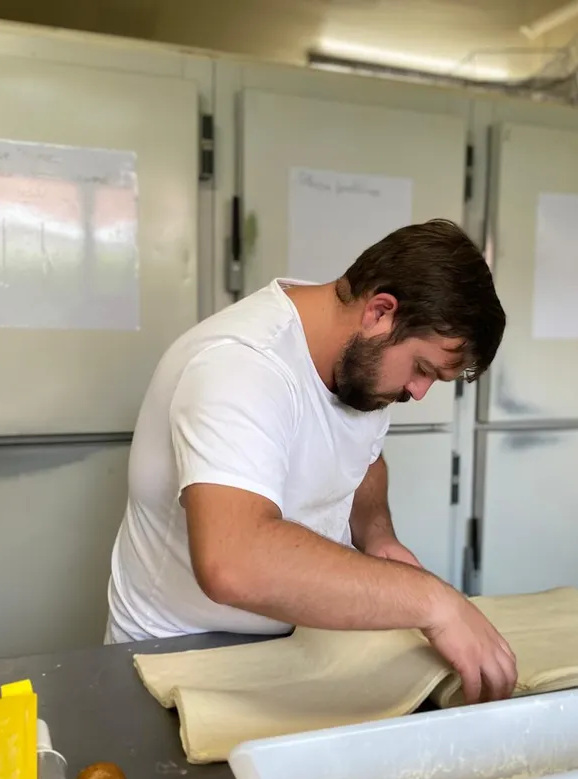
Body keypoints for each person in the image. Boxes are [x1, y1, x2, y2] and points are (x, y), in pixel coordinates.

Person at [105, 218, 516, 703]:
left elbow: (363, 458)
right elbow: (234, 561)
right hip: (176, 659)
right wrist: (433, 601)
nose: (418, 392)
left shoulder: (358, 367)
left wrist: (378, 537)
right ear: (380, 311)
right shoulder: (242, 365)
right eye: (422, 369)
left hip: (298, 650)